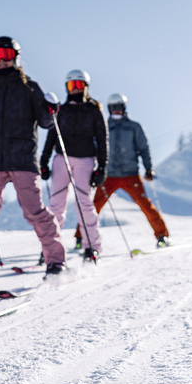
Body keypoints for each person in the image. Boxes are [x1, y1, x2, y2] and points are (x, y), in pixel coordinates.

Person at [0, 37, 67, 283]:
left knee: (35, 212)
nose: (1, 60)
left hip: (22, 159)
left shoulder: (29, 88)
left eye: (6, 54)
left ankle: (55, 262)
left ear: (16, 57)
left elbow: (45, 122)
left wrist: (51, 109)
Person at [40, 70, 108, 262]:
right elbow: (51, 135)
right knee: (56, 205)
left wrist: (102, 166)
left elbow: (103, 139)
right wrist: (44, 162)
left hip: (85, 159)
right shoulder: (62, 109)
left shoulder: (94, 109)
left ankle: (92, 247)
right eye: (72, 86)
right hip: (62, 159)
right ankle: (50, 248)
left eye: (79, 85)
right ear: (67, 88)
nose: (76, 89)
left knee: (84, 203)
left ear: (86, 87)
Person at [93, 93, 171, 247]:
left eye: (118, 107)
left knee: (145, 204)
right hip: (109, 175)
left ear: (124, 107)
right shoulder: (103, 127)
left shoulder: (134, 127)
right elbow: (96, 148)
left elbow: (144, 148)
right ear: (109, 109)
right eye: (113, 107)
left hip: (131, 175)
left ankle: (162, 235)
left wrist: (149, 169)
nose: (116, 110)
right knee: (94, 206)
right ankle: (81, 238)